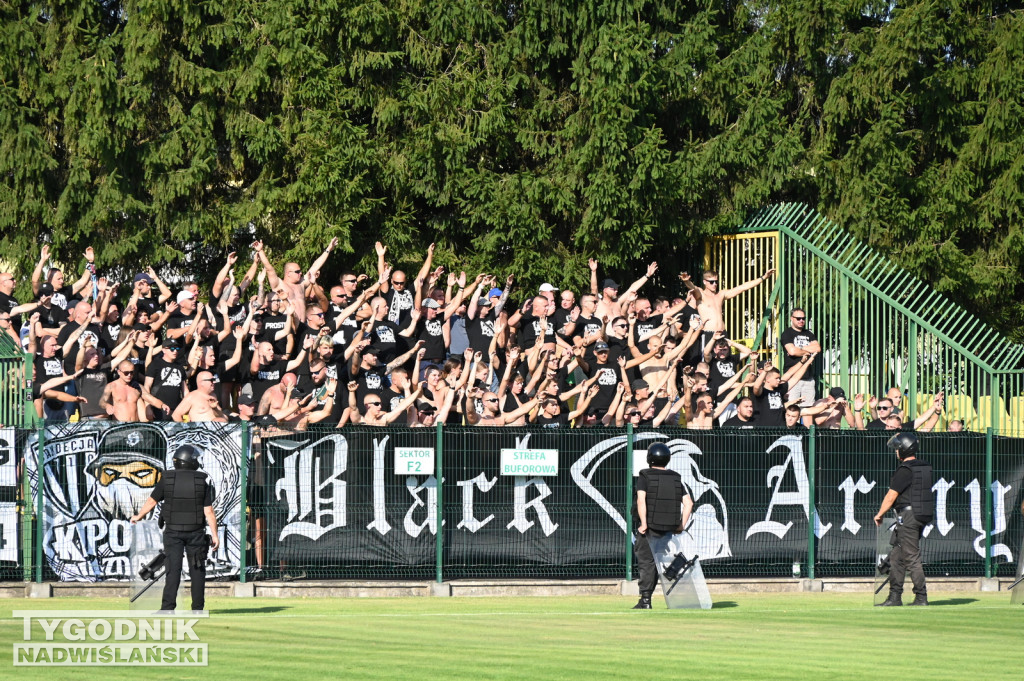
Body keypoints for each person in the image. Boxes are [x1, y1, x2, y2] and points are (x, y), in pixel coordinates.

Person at [131, 445, 219, 612]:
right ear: (191, 461)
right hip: (196, 533)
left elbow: (151, 502)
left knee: (173, 570)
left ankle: (167, 608)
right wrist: (215, 534)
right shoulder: (202, 481)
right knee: (197, 570)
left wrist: (139, 516)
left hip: (172, 533)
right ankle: (197, 609)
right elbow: (209, 511)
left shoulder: (167, 478)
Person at [873, 432, 934, 607]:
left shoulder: (904, 470)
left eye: (897, 448)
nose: (896, 452)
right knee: (897, 557)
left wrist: (880, 514)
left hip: (908, 516)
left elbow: (891, 495)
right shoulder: (924, 467)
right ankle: (894, 597)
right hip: (921, 514)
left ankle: (921, 597)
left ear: (904, 449)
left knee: (911, 556)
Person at [631, 442, 693, 610]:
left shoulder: (645, 475)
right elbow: (688, 503)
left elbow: (641, 500)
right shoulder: (675, 477)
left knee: (646, 562)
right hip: (668, 528)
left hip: (650, 527)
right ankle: (647, 597)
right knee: (658, 562)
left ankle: (645, 600)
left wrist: (643, 523)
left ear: (649, 458)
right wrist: (681, 525)